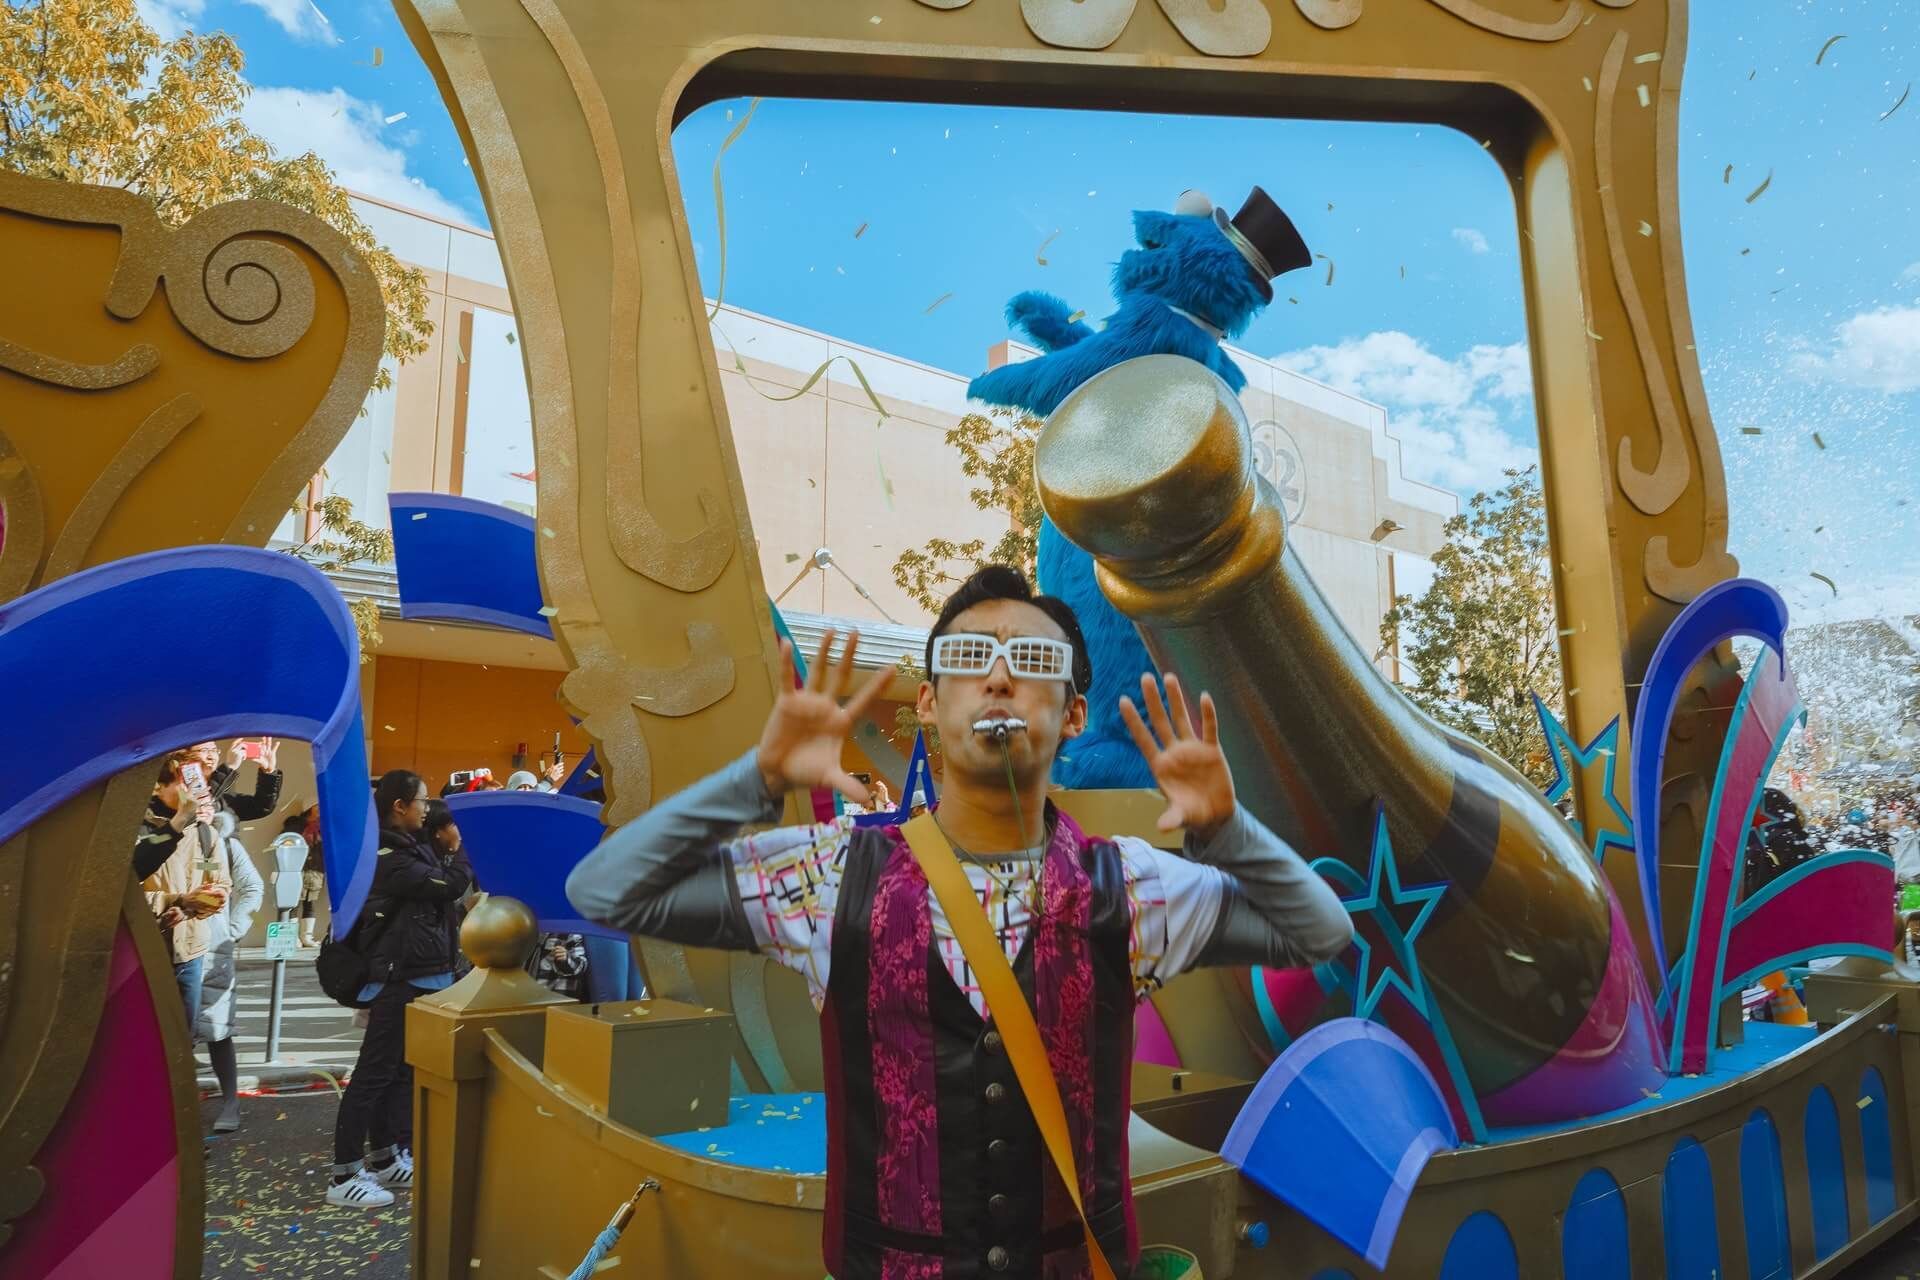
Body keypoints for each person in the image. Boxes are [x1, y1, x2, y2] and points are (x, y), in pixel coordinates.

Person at [567, 564, 1352, 1279]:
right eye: (970, 659)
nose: (1001, 679)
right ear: (928, 702)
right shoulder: (831, 876)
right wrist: (755, 780)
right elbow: (606, 888)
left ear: (1074, 713)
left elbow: (1320, 933)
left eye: (1035, 665)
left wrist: (1227, 827)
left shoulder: (1135, 886)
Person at [326, 770, 474, 1209]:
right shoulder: (387, 853)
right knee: (372, 1075)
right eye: (422, 802)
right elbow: (449, 887)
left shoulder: (411, 847)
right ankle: (345, 1174)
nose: (427, 809)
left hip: (416, 975)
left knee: (398, 1073)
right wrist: (461, 854)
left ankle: (386, 1156)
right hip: (396, 979)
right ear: (400, 806)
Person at [138, 752, 233, 1037]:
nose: (195, 791)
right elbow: (120, 893)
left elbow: (222, 882)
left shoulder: (206, 834)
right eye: (184, 782)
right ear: (159, 785)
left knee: (182, 1040)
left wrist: (212, 898)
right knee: (145, 1041)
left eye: (198, 783)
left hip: (191, 952)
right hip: (143, 953)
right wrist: (174, 901)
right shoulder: (140, 831)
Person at [198, 811, 264, 1133]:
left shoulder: (225, 844)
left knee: (218, 1029)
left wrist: (231, 928)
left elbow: (252, 887)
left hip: (214, 950)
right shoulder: (170, 839)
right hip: (173, 947)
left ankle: (230, 1101)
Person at [187, 738, 286, 825]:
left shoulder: (224, 791)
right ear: (186, 756)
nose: (211, 756)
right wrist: (229, 766)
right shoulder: (180, 788)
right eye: (204, 750)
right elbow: (200, 803)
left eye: (214, 750)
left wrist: (268, 773)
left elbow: (260, 807)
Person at [281, 803, 327, 947]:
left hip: (315, 870)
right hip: (297, 868)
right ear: (309, 809)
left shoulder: (322, 826)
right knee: (293, 902)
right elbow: (286, 843)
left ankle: (307, 937)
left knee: (310, 902)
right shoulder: (294, 826)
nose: (319, 809)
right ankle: (292, 937)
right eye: (316, 806)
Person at [527, 931, 589, 999]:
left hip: (555, 997)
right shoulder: (532, 932)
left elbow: (580, 966)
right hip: (529, 994)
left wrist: (566, 959)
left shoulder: (572, 934)